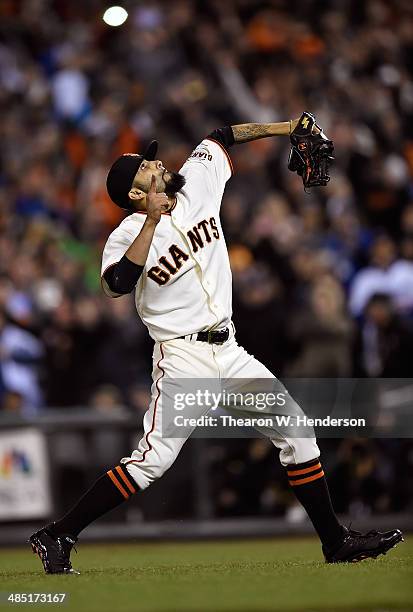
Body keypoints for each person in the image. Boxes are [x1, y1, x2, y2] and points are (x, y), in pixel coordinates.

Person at [29, 117, 402, 573]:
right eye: (146, 166)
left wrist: (287, 127)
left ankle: (335, 541)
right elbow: (117, 284)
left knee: (298, 431)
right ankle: (58, 533)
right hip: (182, 356)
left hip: (230, 350)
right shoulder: (126, 234)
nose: (156, 161)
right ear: (134, 193)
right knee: (152, 462)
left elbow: (222, 135)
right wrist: (150, 219)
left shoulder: (198, 183)